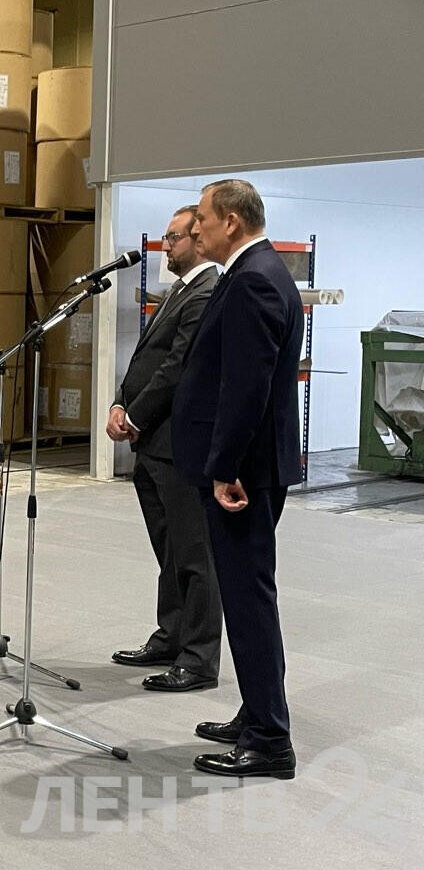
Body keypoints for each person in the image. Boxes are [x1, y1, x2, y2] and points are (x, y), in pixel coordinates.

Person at [172, 179, 304, 780]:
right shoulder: (255, 271)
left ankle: (270, 740)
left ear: (230, 220)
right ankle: (256, 714)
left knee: (248, 601)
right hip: (250, 466)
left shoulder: (254, 279)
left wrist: (225, 467)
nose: (195, 228)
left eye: (201, 218)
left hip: (244, 474)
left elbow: (246, 385)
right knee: (247, 594)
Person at [107, 205, 221, 692]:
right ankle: (171, 635)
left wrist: (134, 416)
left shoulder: (207, 291)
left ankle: (198, 658)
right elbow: (145, 358)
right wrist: (119, 401)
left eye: (174, 237)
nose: (166, 246)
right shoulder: (179, 290)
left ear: (198, 239)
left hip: (179, 445)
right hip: (152, 444)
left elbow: (177, 367)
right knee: (168, 550)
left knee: (194, 555)